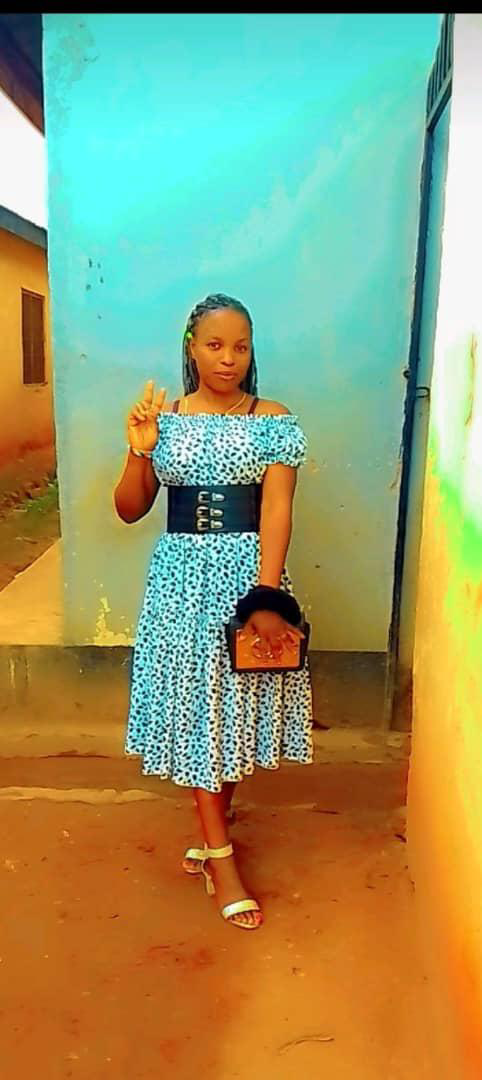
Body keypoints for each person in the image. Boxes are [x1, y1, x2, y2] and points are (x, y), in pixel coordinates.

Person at [114, 293, 313, 931]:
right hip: (178, 583)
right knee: (198, 709)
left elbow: (277, 508)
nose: (229, 358)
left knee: (232, 711)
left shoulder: (272, 419)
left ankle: (209, 831)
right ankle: (221, 859)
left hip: (246, 576)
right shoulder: (166, 420)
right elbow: (129, 509)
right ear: (192, 348)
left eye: (241, 346)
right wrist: (140, 449)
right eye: (215, 345)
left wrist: (265, 596)